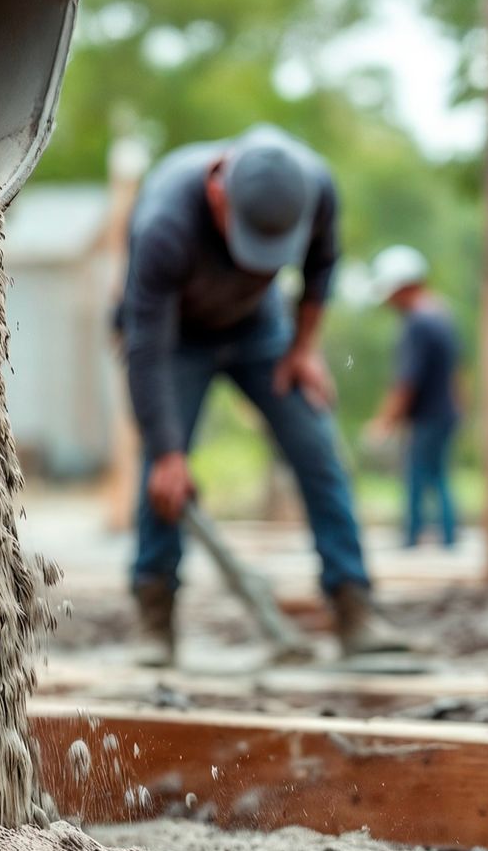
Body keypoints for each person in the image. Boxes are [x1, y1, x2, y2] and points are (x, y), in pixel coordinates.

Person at [117, 125, 406, 665]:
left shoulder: (315, 187)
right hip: (175, 339)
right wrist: (166, 450)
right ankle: (154, 615)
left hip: (261, 332)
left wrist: (302, 348)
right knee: (164, 473)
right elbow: (146, 348)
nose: (258, 262)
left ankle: (355, 606)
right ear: (218, 193)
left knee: (318, 448)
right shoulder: (165, 222)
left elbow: (321, 269)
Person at [364, 246, 462, 549]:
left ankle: (412, 539)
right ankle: (448, 539)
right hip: (446, 412)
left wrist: (385, 421)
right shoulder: (443, 315)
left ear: (403, 286)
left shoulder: (418, 324)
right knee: (437, 476)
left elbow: (406, 381)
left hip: (429, 415)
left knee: (419, 477)